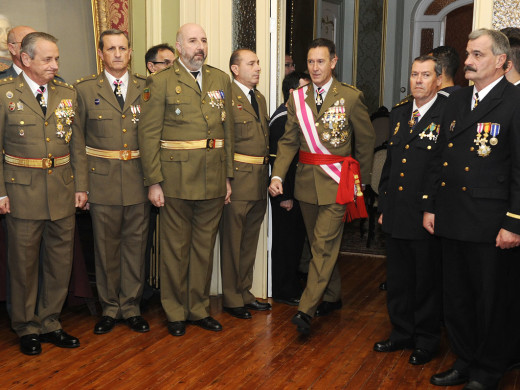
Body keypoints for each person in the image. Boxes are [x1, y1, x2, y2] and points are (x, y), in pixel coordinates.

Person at [424, 28, 520, 390]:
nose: (467, 61)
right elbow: (439, 159)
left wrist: (515, 221)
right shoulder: (457, 100)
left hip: (491, 223)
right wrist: (430, 206)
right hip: (452, 216)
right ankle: (465, 360)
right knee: (458, 299)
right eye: (467, 53)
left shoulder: (514, 101)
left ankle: (488, 370)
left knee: (491, 302)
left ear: (501, 61)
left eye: (477, 55)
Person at [269, 38, 375, 334]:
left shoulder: (350, 97)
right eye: (311, 62)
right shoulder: (297, 99)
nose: (315, 67)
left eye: (320, 61)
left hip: (337, 184)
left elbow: (365, 142)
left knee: (325, 244)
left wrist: (361, 182)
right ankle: (332, 295)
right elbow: (288, 141)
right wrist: (277, 176)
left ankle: (306, 308)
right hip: (305, 184)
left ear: (333, 62)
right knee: (319, 246)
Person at [138, 23, 234, 337]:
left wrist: (228, 177)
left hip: (213, 178)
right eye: (193, 41)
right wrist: (153, 181)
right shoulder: (161, 81)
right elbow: (149, 134)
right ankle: (175, 312)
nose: (199, 47)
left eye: (203, 40)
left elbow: (227, 132)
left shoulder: (220, 79)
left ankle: (198, 309)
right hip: (175, 179)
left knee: (204, 249)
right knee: (175, 250)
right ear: (179, 46)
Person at [0, 32, 88, 355]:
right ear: (25, 60)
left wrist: (81, 186)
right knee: (23, 264)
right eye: (47, 59)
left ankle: (51, 321)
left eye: (57, 59)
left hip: (62, 190)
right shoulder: (5, 93)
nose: (55, 65)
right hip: (22, 191)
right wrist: (0, 194)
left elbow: (76, 143)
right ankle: (26, 326)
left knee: (59, 260)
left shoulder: (66, 92)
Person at [74, 29, 150, 335]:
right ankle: (109, 308)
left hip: (138, 180)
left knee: (136, 246)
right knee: (105, 249)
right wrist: (82, 186)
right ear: (101, 54)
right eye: (111, 49)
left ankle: (131, 306)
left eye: (122, 48)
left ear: (130, 52)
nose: (117, 54)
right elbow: (77, 143)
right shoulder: (83, 89)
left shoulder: (147, 88)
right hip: (101, 181)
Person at [374, 55, 445, 365]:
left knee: (425, 280)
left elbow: (444, 169)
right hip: (397, 211)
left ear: (438, 80)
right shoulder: (401, 113)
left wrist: (433, 208)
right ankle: (401, 332)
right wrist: (383, 205)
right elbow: (391, 164)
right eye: (414, 74)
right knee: (399, 278)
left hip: (425, 213)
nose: (418, 80)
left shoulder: (448, 114)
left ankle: (427, 339)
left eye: (425, 75)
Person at [219, 49, 270, 320]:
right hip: (238, 179)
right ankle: (230, 297)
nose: (258, 68)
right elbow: (224, 142)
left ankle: (245, 292)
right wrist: (226, 179)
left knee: (249, 242)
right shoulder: (227, 97)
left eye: (258, 63)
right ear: (235, 69)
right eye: (251, 63)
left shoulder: (258, 98)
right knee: (232, 241)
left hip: (259, 179)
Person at [269, 71, 310, 306]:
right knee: (286, 243)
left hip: (294, 192)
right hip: (285, 194)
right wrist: (285, 196)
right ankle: (284, 289)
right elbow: (280, 161)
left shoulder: (292, 116)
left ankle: (292, 284)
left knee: (294, 242)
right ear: (293, 93)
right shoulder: (283, 119)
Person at [0, 25, 64, 82]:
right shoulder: (2, 81)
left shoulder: (56, 81)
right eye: (28, 42)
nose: (34, 47)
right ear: (12, 48)